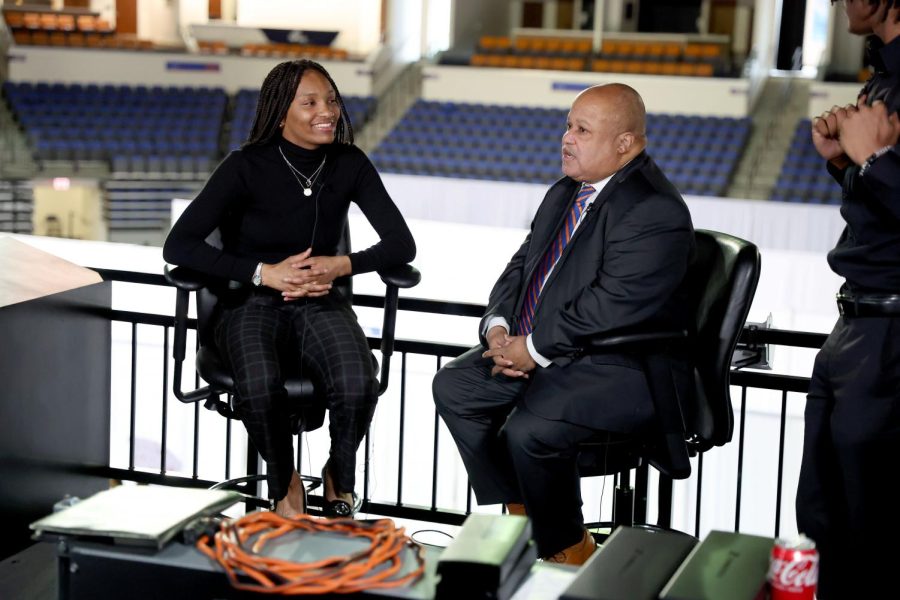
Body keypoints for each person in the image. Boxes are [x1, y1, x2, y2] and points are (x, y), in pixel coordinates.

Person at [432, 83, 694, 565]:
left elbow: (613, 304)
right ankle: (521, 514)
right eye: (568, 125)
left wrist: (531, 349)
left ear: (625, 144)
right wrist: (498, 329)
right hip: (558, 350)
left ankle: (566, 546)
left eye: (581, 129)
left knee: (528, 429)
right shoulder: (565, 193)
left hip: (624, 365)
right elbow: (522, 267)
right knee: (455, 386)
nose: (566, 138)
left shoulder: (654, 208)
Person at [163, 60, 416, 519]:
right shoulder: (244, 165)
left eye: (332, 100)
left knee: (358, 381)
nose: (329, 111)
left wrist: (342, 264)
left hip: (321, 302)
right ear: (281, 112)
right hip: (249, 302)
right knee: (259, 384)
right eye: (312, 102)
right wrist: (263, 272)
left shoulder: (349, 163)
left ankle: (340, 475)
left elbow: (402, 243)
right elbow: (178, 244)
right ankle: (286, 483)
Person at [796, 1, 900, 597]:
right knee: (820, 522)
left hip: (889, 335)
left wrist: (877, 160)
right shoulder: (883, 78)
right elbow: (885, 213)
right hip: (854, 324)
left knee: (868, 530)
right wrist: (846, 164)